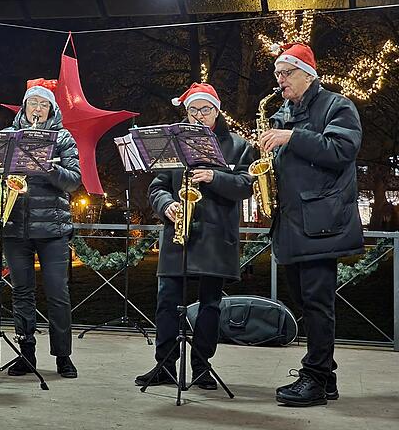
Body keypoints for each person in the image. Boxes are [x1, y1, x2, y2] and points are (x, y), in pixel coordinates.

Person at [260, 43, 363, 407]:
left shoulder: (337, 105)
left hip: (321, 223)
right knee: (306, 303)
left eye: (286, 73)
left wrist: (291, 136)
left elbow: (342, 150)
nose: (280, 80)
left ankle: (316, 379)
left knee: (318, 304)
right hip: (291, 223)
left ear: (308, 73)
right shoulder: (283, 111)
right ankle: (326, 377)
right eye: (277, 74)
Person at [137, 83, 254, 389]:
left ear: (217, 110)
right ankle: (164, 365)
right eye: (193, 110)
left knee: (210, 305)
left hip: (216, 237)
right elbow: (157, 187)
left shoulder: (239, 146)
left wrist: (214, 176)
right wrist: (168, 205)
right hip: (179, 233)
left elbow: (245, 185)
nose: (200, 115)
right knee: (166, 302)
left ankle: (202, 367)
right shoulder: (174, 146)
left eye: (206, 109)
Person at [0, 78, 82, 378]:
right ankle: (26, 354)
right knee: (22, 292)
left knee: (57, 293)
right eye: (32, 104)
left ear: (52, 109)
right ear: (24, 107)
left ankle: (63, 356)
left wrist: (50, 168)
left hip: (53, 228)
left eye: (44, 104)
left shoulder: (62, 138)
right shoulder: (8, 136)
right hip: (15, 225)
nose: (37, 109)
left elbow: (74, 179)